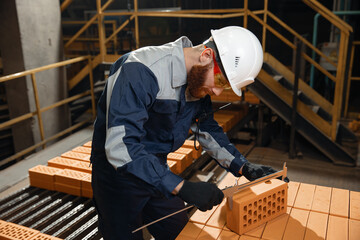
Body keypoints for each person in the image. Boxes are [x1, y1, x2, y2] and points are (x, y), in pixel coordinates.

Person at [90, 26, 286, 240]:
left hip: (156, 170)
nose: (218, 91)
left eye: (226, 87)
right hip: (117, 176)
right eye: (220, 81)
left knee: (182, 233)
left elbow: (207, 129)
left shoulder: (197, 82)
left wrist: (243, 166)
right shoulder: (140, 70)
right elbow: (121, 147)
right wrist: (181, 187)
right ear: (206, 55)